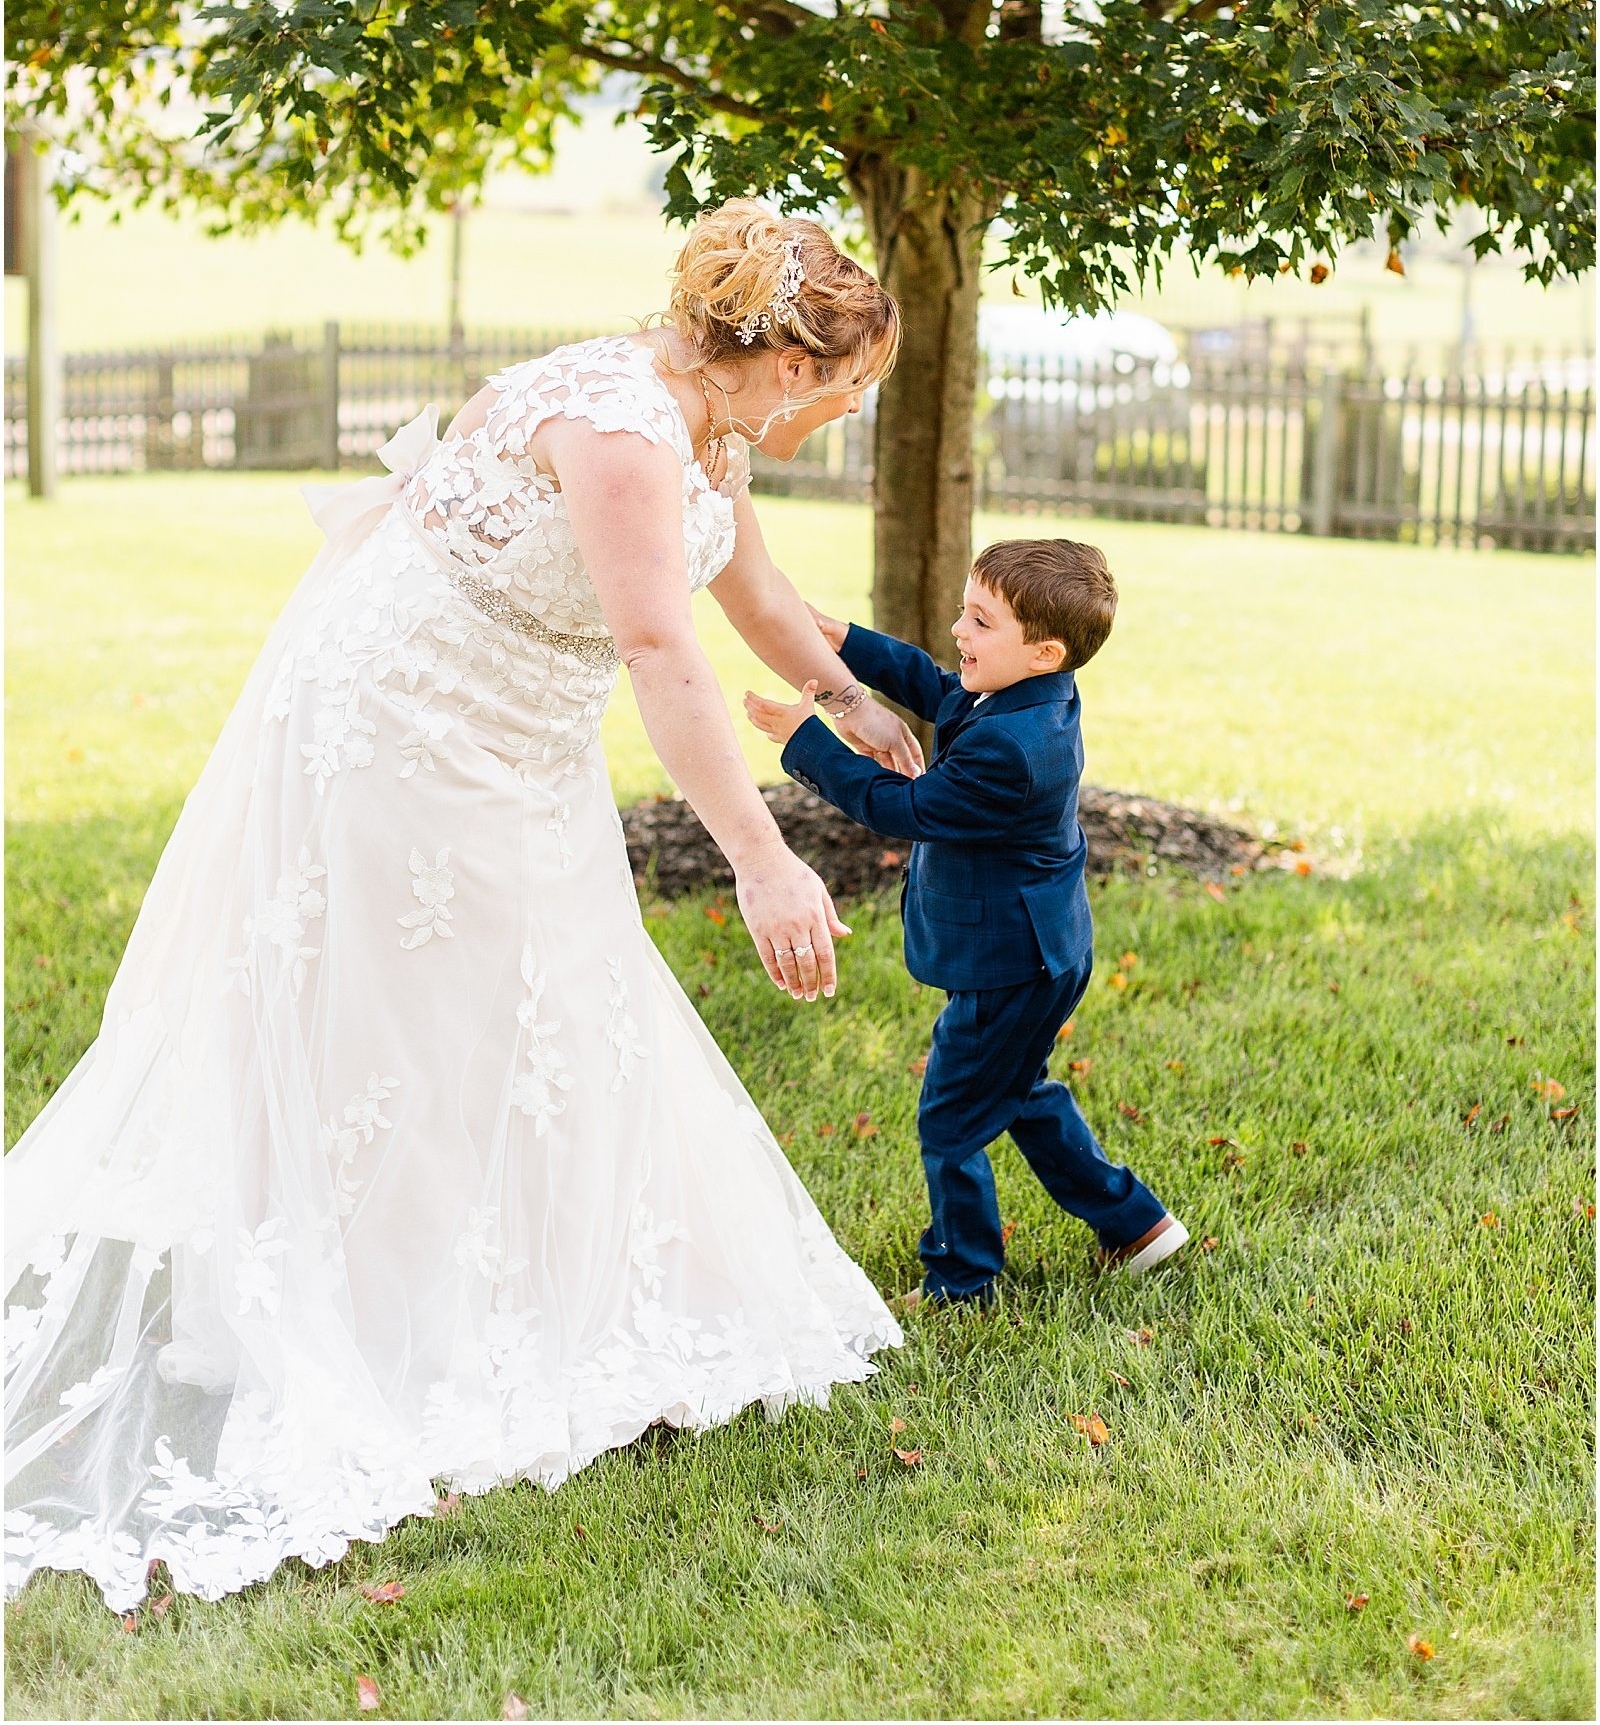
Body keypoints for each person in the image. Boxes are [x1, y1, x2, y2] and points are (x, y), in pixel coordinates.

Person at [4, 201, 923, 1610]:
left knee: (546, 1004)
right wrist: (760, 854)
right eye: (853, 394)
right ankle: (379, 1330)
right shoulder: (621, 428)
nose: (848, 418)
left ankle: (515, 1303)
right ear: (793, 361)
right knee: (420, 1020)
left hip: (520, 736)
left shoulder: (707, 418)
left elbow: (749, 584)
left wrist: (848, 700)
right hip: (408, 725)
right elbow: (659, 650)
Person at [745, 537, 1188, 1309]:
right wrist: (836, 634)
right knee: (1017, 1091)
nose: (959, 631)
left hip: (1011, 965)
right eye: (964, 611)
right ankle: (1138, 1226)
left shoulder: (1011, 752)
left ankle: (962, 1279)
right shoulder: (1030, 695)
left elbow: (902, 807)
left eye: (981, 621)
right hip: (1039, 947)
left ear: (1044, 651)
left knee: (952, 1117)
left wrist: (802, 739)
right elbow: (931, 681)